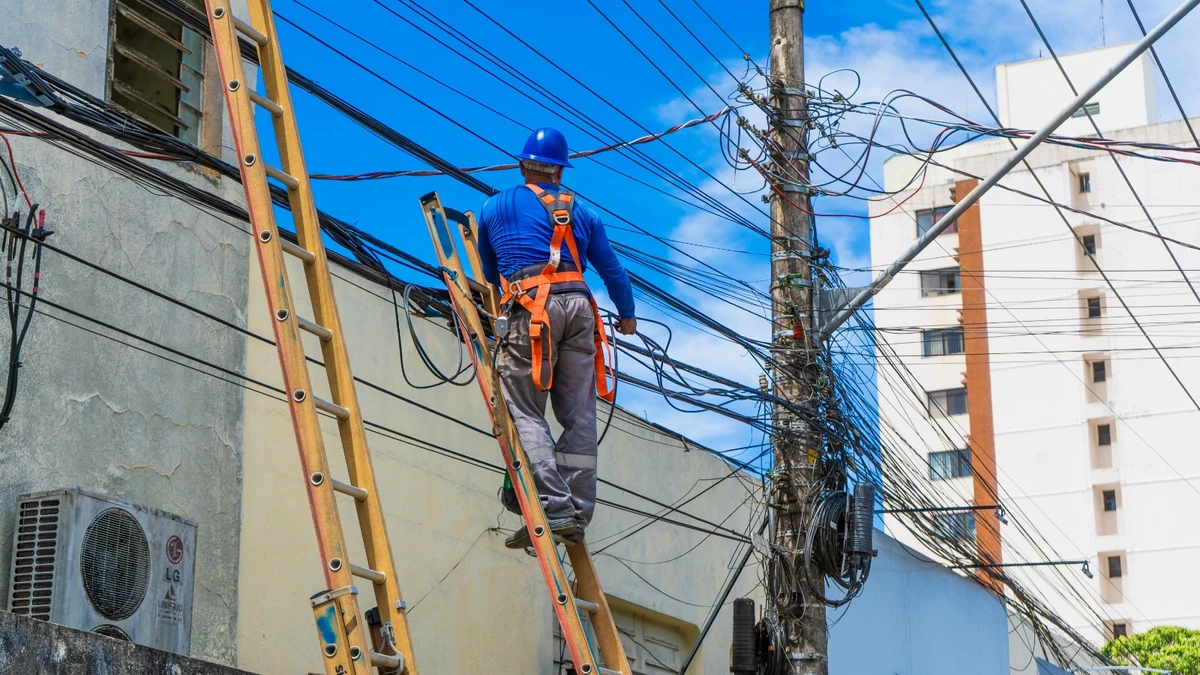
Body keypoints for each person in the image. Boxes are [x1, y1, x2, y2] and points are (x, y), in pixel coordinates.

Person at [478, 127, 637, 549]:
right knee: (579, 416)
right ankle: (576, 513)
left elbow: (489, 276)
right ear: (560, 173)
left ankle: (552, 505)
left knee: (526, 411)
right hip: (580, 310)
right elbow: (614, 272)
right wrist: (627, 317)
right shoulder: (584, 214)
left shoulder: (494, 207)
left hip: (531, 311)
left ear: (521, 164)